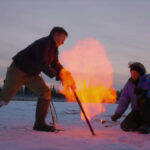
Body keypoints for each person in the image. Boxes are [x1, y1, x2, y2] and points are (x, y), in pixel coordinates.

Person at [0, 26, 75, 132]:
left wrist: (65, 75)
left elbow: (55, 64)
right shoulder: (43, 43)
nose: (62, 43)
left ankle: (39, 124)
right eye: (62, 39)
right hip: (18, 70)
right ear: (56, 35)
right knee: (4, 99)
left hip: (31, 75)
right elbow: (42, 63)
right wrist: (58, 76)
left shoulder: (54, 49)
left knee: (45, 92)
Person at [111, 62, 150, 134]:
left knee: (143, 100)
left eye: (135, 73)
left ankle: (147, 124)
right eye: (132, 73)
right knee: (125, 126)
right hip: (137, 111)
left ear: (140, 73)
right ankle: (141, 125)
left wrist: (146, 93)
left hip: (148, 110)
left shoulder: (148, 79)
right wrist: (118, 113)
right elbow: (124, 99)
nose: (133, 75)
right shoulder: (130, 83)